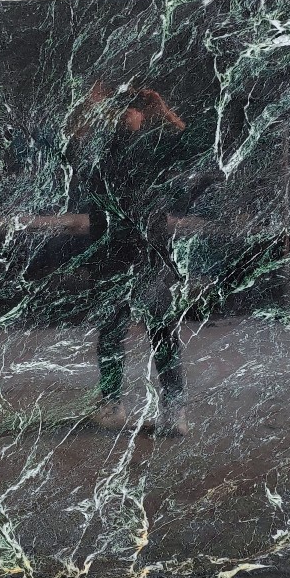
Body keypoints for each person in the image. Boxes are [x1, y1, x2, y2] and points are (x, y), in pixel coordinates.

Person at [81, 81, 190, 438]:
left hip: (145, 253)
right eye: (126, 110)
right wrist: (97, 108)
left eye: (136, 110)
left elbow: (187, 140)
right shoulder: (105, 148)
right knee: (117, 330)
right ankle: (117, 403)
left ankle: (171, 407)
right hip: (117, 253)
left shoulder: (150, 150)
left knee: (159, 330)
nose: (130, 116)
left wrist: (162, 109)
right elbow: (76, 140)